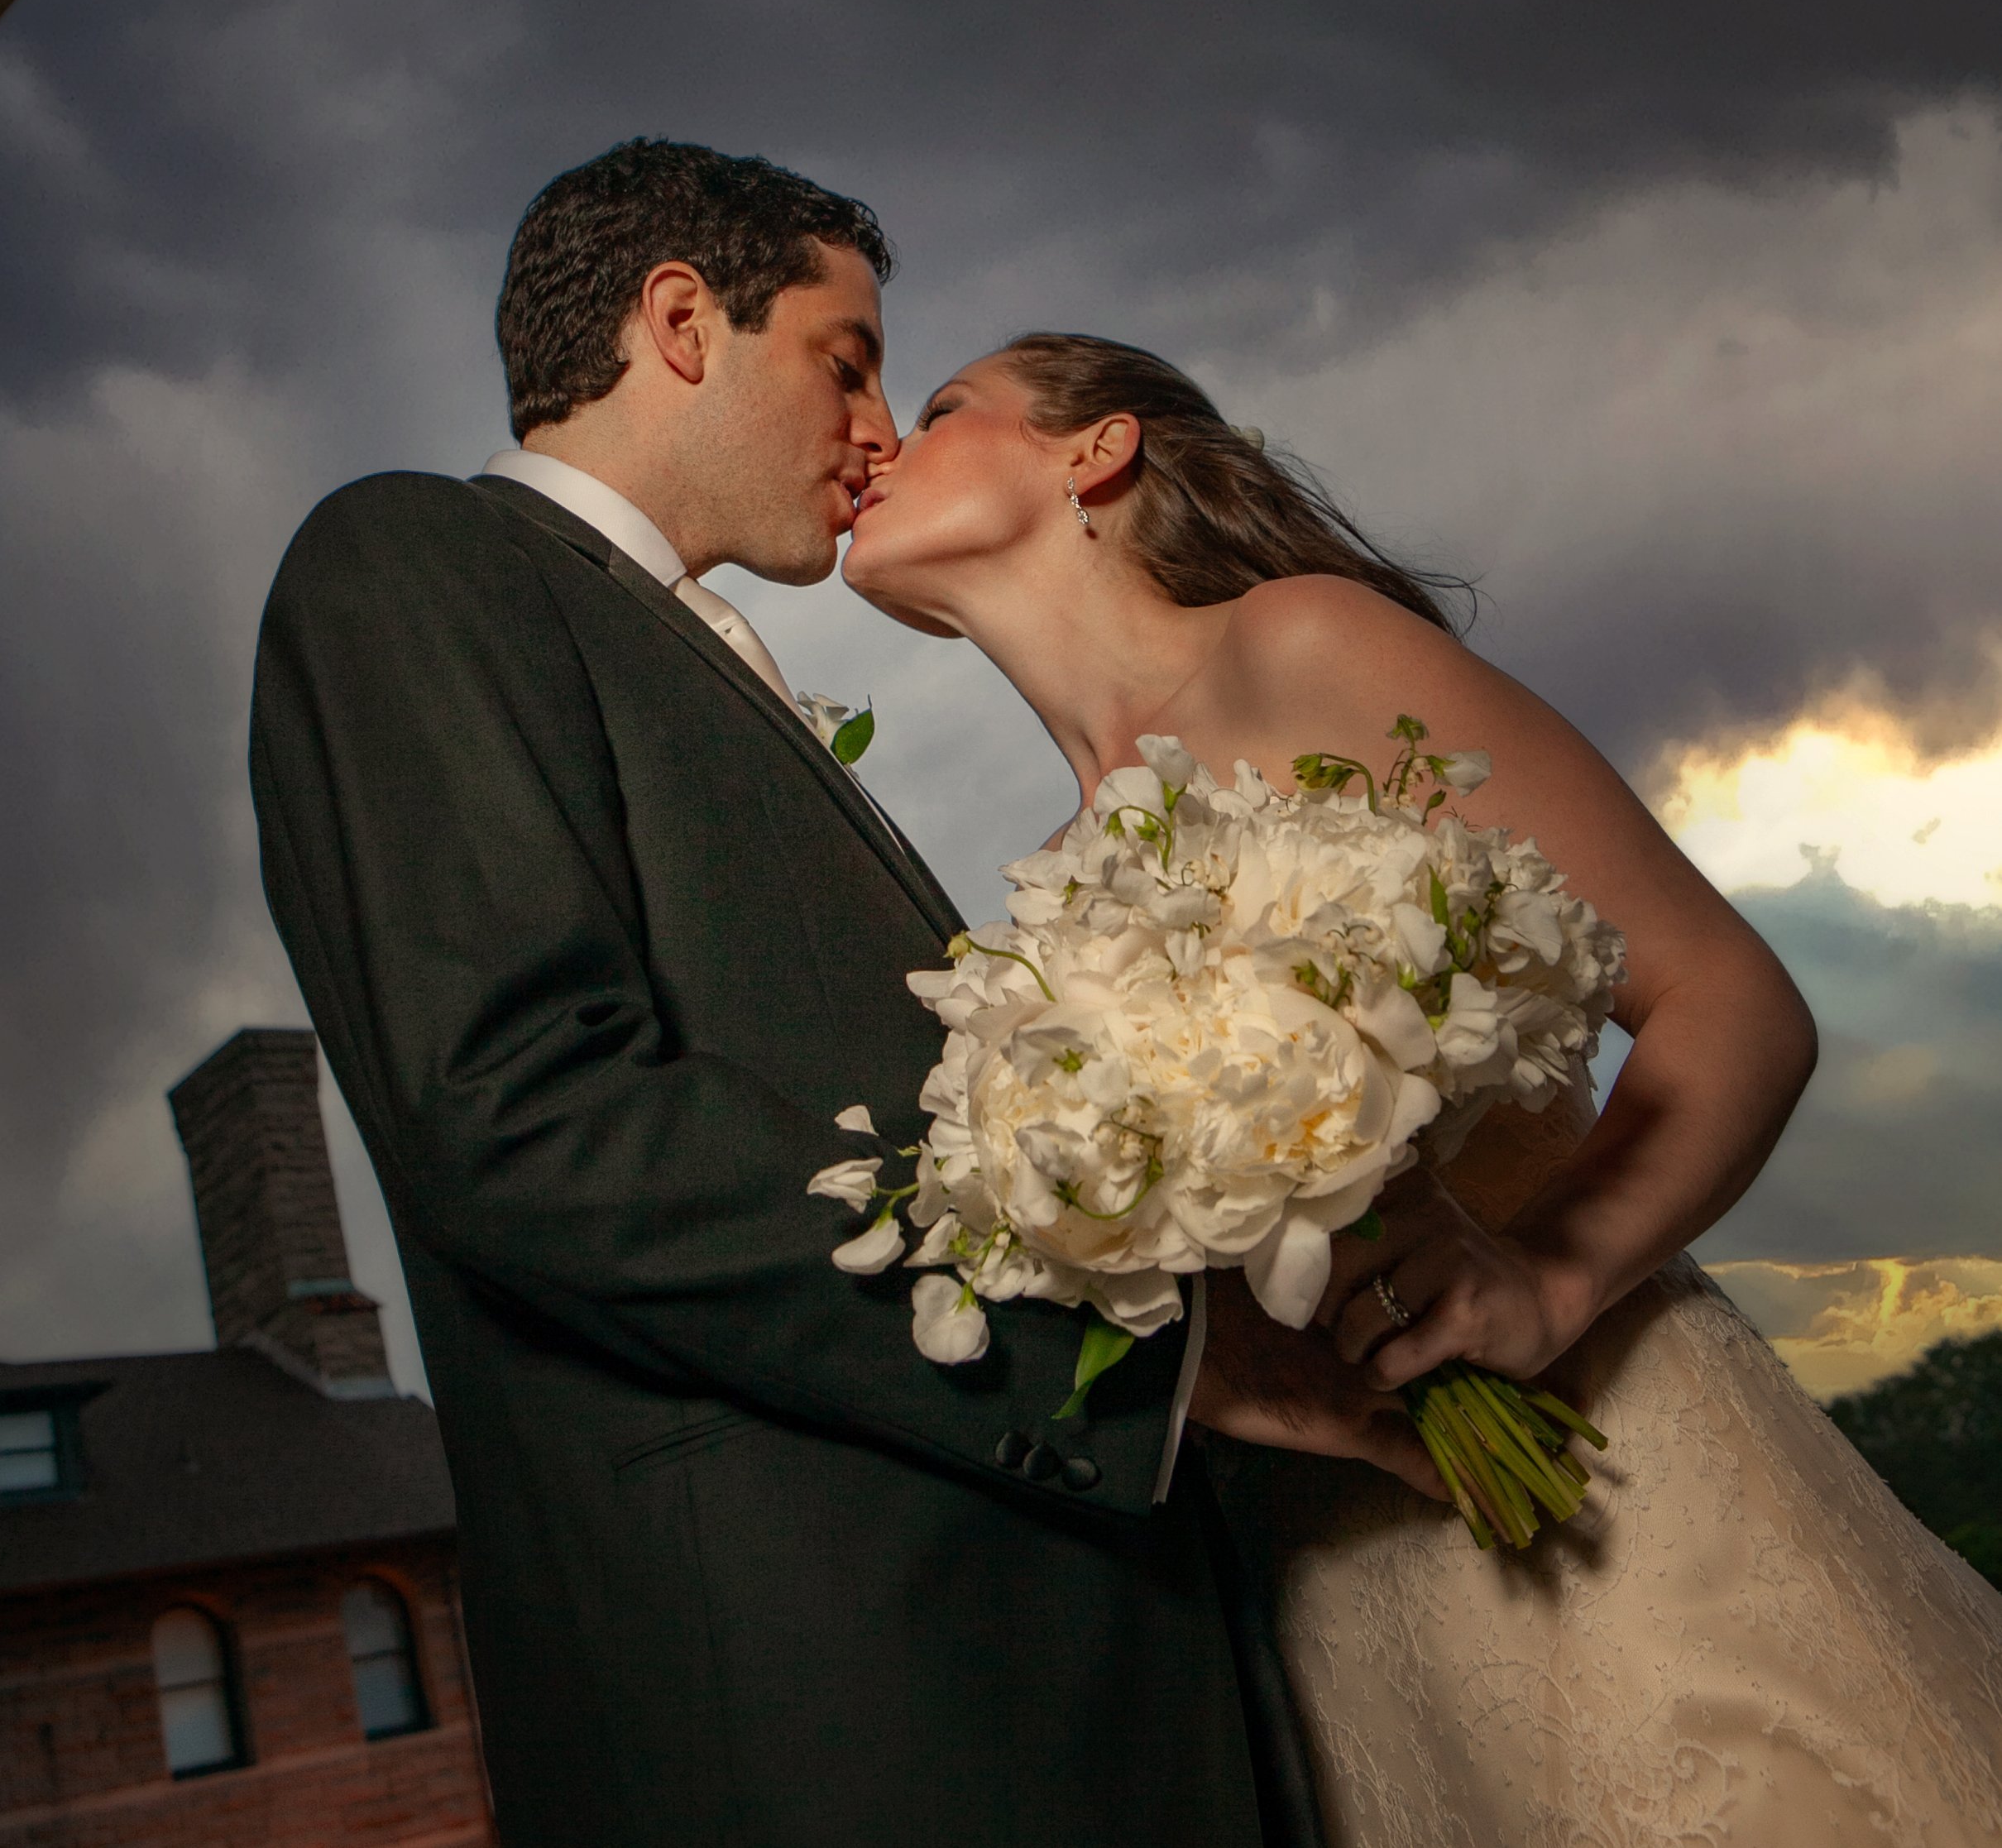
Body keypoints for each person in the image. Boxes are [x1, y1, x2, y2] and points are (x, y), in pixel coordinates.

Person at [250, 141, 1393, 1848]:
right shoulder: (414, 560)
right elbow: (523, 1117)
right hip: (833, 1719)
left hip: (1038, 1685)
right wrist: (1135, 1366)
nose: (874, 432)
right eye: (842, 363)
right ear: (681, 321)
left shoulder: (688, 650)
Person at [840, 328, 2002, 1848]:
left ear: (1094, 451)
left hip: (1617, 1499)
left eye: (935, 407)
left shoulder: (1303, 648)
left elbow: (1734, 1001)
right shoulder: (1046, 914)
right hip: (1347, 1610)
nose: (874, 441)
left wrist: (1552, 1269)